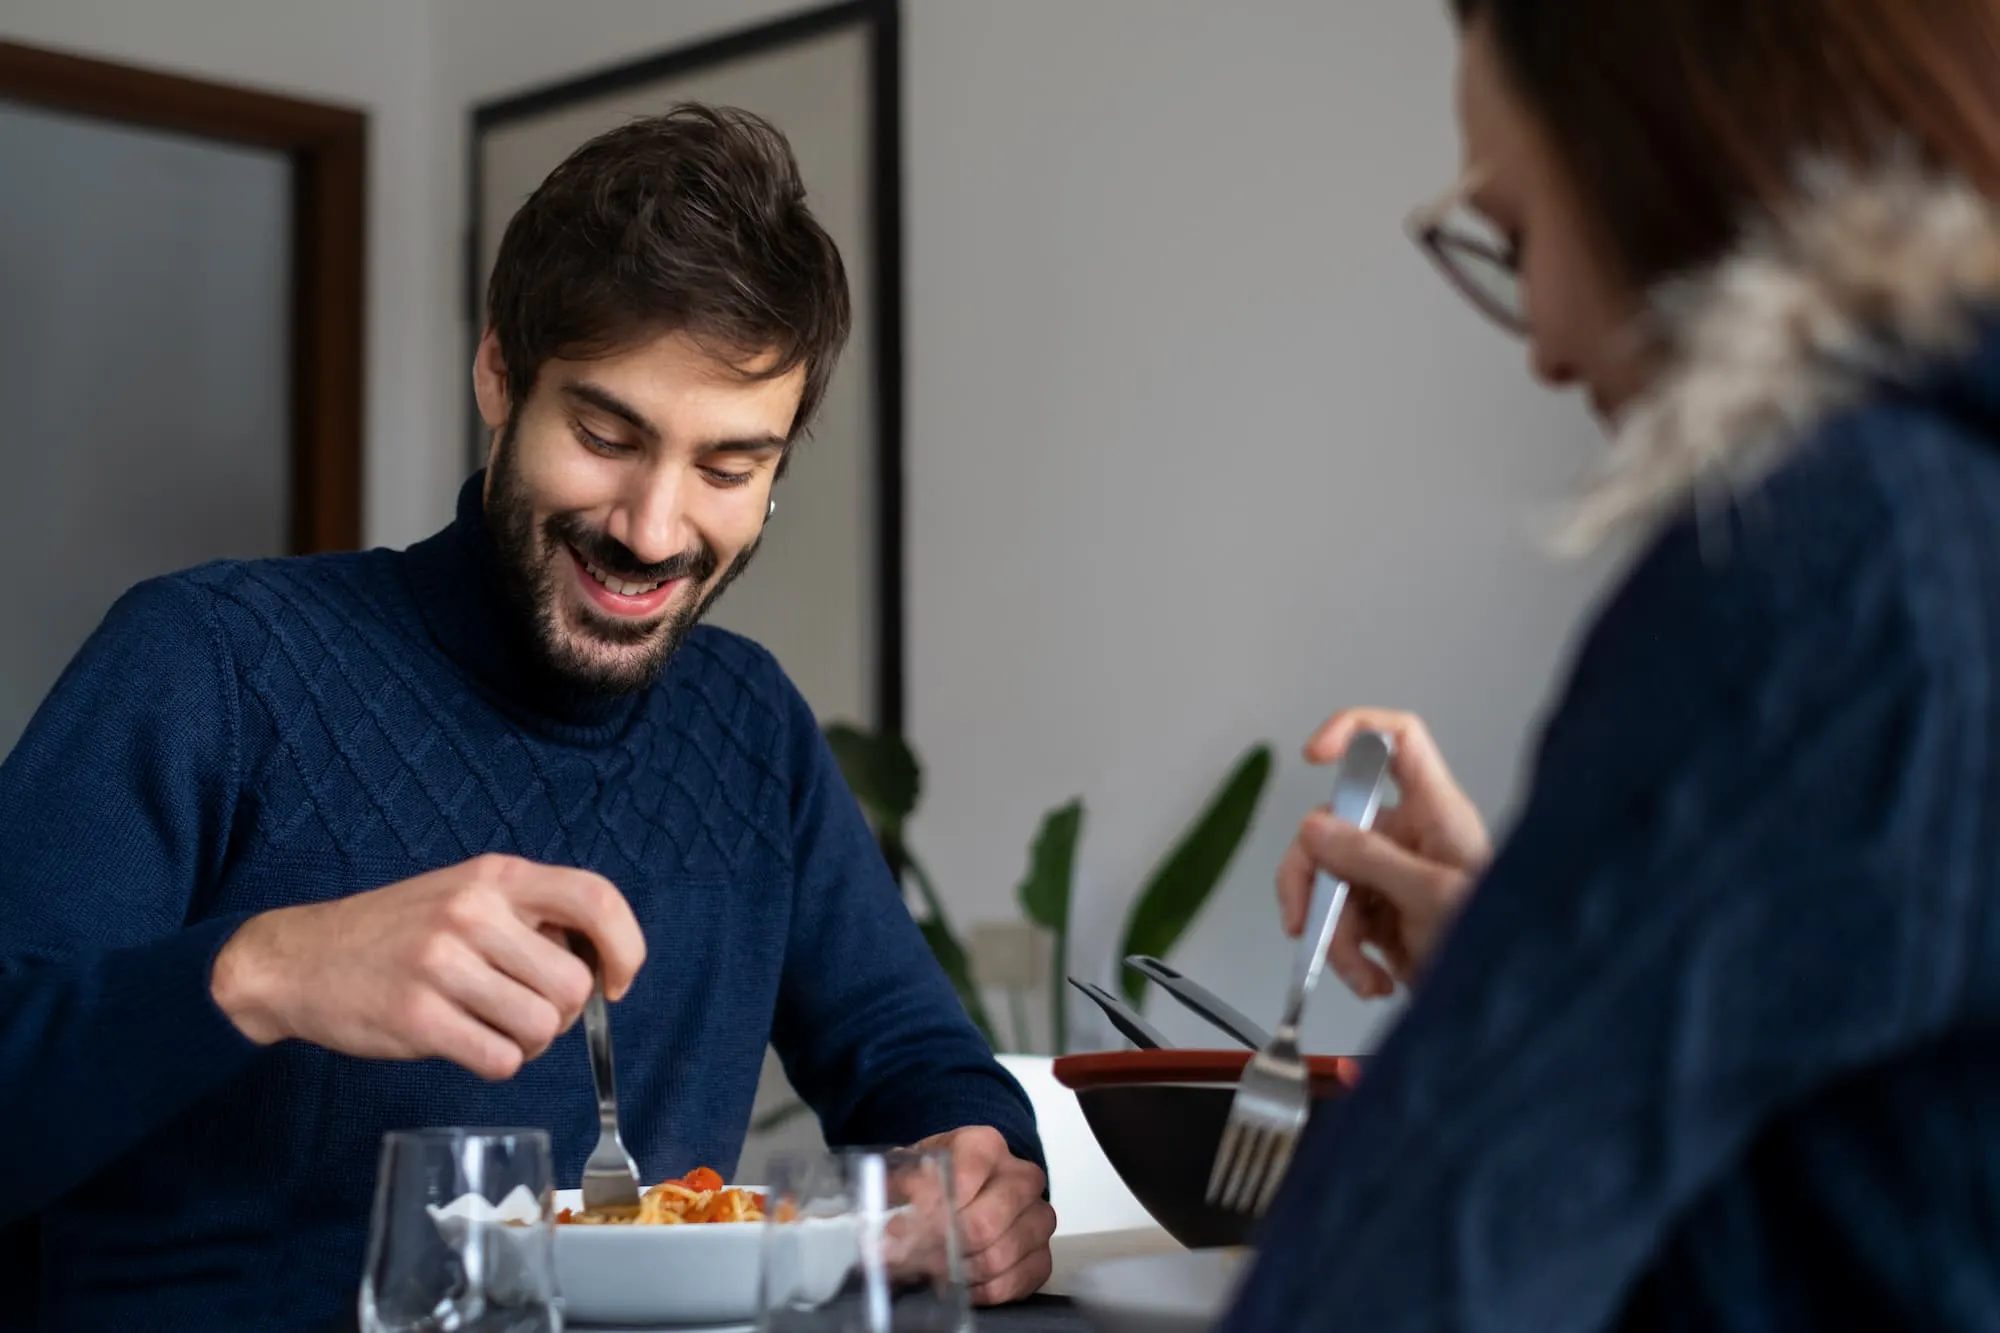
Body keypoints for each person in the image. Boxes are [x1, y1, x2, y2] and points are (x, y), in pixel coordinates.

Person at [0, 105, 1052, 1330]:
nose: (654, 531)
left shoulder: (749, 721)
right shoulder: (211, 660)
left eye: (726, 468)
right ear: (499, 375)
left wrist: (973, 1170)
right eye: (606, 435)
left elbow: (907, 1057)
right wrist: (264, 971)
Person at [1223, 1, 2000, 1330]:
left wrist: (1519, 1007)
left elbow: (1396, 1278)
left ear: (1662, 149)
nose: (1538, 343)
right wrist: (1535, 940)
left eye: (1516, 233)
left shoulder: (1842, 560)